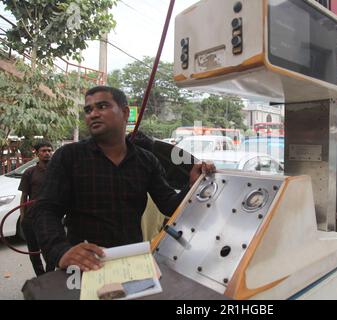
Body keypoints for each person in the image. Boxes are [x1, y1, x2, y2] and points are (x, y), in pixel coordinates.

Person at [33, 86, 215, 272]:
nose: (93, 114)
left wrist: (192, 184)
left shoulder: (146, 161)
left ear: (125, 112)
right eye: (88, 110)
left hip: (132, 262)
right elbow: (45, 210)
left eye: (102, 106)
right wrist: (61, 251)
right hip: (85, 266)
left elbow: (169, 205)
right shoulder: (68, 156)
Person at [18, 141, 54, 276]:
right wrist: (23, 217)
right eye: (44, 151)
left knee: (51, 249)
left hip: (51, 217)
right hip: (31, 218)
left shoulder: (57, 171)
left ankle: (50, 275)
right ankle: (41, 277)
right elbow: (24, 196)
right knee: (33, 251)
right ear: (37, 153)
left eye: (49, 150)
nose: (47, 153)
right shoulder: (29, 172)